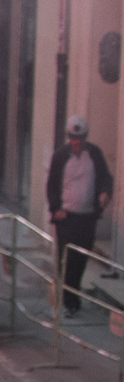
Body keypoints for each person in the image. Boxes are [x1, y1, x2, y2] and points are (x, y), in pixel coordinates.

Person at [48, 117, 115, 315]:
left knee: (80, 259)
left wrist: (104, 192)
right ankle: (70, 302)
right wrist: (55, 208)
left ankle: (72, 294)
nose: (76, 143)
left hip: (87, 217)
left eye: (80, 139)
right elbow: (52, 185)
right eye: (73, 139)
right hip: (66, 217)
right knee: (66, 260)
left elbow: (105, 178)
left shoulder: (94, 154)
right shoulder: (60, 156)